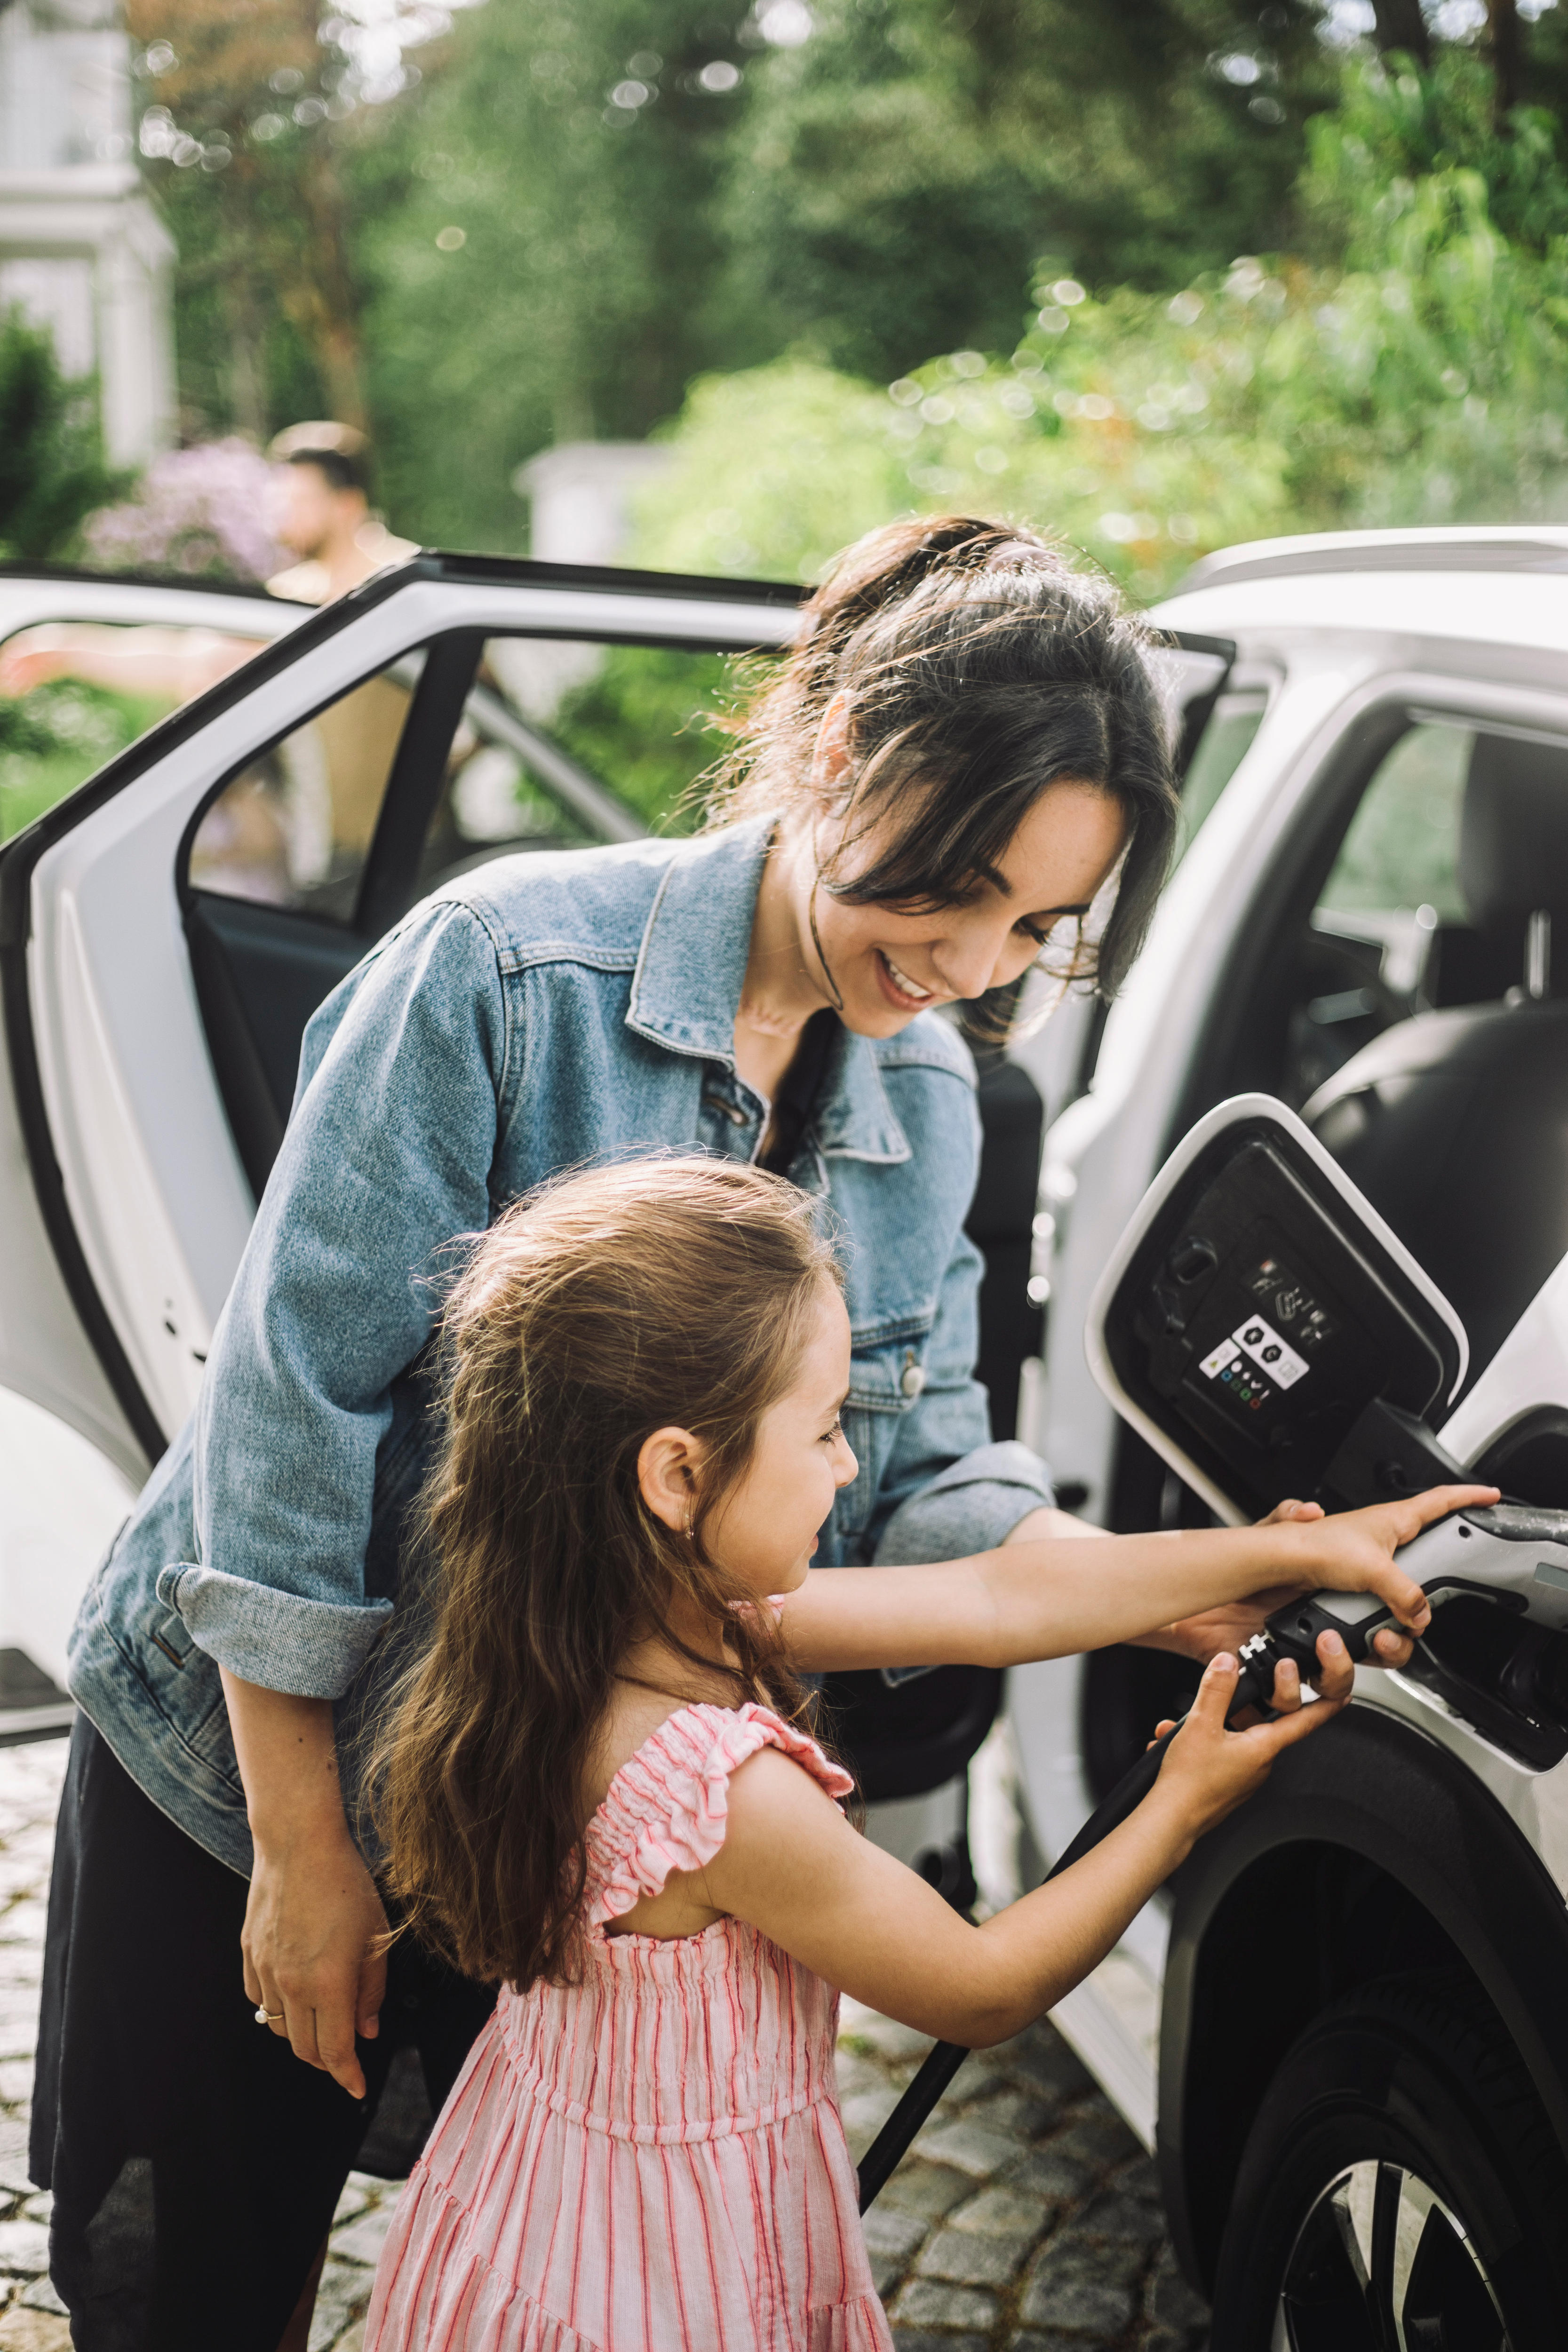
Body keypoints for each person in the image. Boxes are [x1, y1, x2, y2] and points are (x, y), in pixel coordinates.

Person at [32, 515, 1426, 2352]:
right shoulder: (498, 972)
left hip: (531, 1779)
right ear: (841, 757)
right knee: (206, 2260)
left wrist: (1127, 1588)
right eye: (950, 893)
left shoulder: (929, 1093)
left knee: (508, 2201)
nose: (971, 967)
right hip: (255, 1752)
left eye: (1034, 926)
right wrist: (301, 1846)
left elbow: (920, 1471)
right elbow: (288, 1419)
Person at [359, 1159, 1484, 2351]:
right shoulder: (720, 1792)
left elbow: (997, 1597)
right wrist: (1180, 1804)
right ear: (678, 1475)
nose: (850, 1468)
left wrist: (1270, 1561)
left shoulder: (586, 1638)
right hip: (666, 2286)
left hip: (547, 2214)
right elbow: (978, 1985)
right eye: (828, 1427)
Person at [265, 421, 417, 605]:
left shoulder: (407, 582)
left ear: (348, 505)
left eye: (302, 502)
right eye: (283, 502)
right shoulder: (287, 592)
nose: (287, 517)